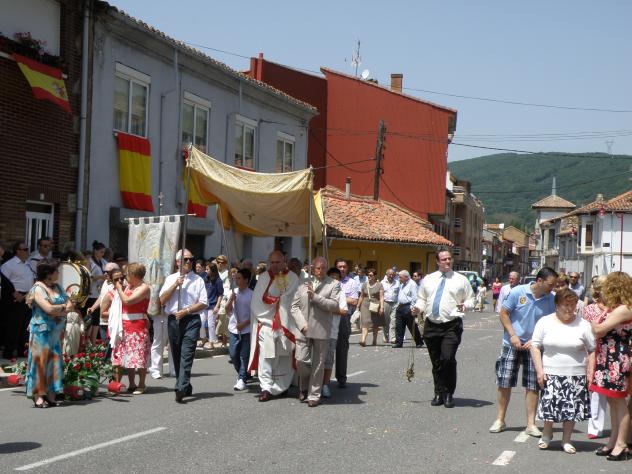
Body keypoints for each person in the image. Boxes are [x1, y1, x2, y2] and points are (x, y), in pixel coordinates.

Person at [489, 266, 558, 434]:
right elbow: (504, 313)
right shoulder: (518, 292)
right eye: (550, 284)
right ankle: (500, 419)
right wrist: (512, 335)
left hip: (534, 347)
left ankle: (530, 424)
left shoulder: (551, 299)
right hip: (511, 343)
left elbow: (552, 323)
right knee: (504, 381)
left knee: (533, 384)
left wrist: (536, 340)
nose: (552, 288)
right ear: (539, 281)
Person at [530, 288, 595, 454]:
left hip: (576, 374)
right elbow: (535, 346)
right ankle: (546, 434)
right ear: (557, 305)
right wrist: (539, 370)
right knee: (549, 406)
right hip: (551, 372)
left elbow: (592, 349)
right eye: (566, 305)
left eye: (573, 305)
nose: (569, 309)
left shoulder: (583, 324)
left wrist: (590, 372)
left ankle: (566, 440)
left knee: (571, 409)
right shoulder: (545, 322)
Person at [413, 251, 475, 408]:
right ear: (437, 261)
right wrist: (417, 308)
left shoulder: (461, 280)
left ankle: (448, 393)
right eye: (444, 259)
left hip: (451, 325)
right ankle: (438, 393)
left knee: (447, 358)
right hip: (432, 325)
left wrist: (465, 305)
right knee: (436, 362)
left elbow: (471, 299)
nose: (447, 261)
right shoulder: (428, 279)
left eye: (449, 259)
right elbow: (422, 299)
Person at [590, 271, 632, 461]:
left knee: (619, 401)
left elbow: (599, 329)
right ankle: (614, 441)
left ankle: (622, 444)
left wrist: (594, 324)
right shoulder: (615, 308)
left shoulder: (624, 308)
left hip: (616, 358)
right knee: (612, 400)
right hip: (608, 357)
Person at [248, 250, 301, 401]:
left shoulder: (292, 277)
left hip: (286, 324)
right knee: (266, 356)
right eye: (272, 262)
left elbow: (292, 298)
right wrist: (275, 301)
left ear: (284, 262)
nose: (275, 265)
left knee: (285, 357)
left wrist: (281, 299)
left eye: (278, 262)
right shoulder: (264, 277)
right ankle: (266, 388)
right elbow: (257, 301)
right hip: (267, 323)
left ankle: (281, 387)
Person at [159, 249, 208, 403]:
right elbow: (162, 300)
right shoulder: (171, 278)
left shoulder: (198, 280)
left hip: (191, 320)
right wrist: (175, 285)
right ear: (177, 262)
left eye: (191, 259)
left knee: (187, 354)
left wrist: (187, 311)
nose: (189, 262)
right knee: (176, 353)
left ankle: (180, 387)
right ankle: (185, 384)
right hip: (174, 320)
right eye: (185, 259)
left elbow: (203, 302)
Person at [292, 257, 340, 407]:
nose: (320, 271)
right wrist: (302, 324)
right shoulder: (302, 283)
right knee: (301, 360)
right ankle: (303, 386)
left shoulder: (334, 284)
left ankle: (314, 394)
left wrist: (315, 297)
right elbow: (294, 307)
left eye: (323, 268)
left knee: (318, 364)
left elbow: (334, 305)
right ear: (312, 269)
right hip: (304, 328)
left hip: (321, 328)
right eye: (318, 268)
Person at [26, 260, 73, 407]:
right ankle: (38, 396)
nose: (58, 273)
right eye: (56, 270)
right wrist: (63, 308)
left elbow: (71, 305)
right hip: (41, 331)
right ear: (48, 274)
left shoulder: (58, 287)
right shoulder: (38, 288)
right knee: (40, 362)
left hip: (56, 331)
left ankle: (51, 394)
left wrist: (59, 308)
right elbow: (48, 309)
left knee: (54, 362)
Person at [111, 263, 151, 395]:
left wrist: (119, 289)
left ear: (134, 275)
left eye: (127, 274)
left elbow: (128, 301)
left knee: (139, 355)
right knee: (128, 356)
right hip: (125, 325)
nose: (125, 277)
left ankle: (142, 384)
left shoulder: (144, 288)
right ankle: (132, 383)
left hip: (138, 326)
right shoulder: (129, 286)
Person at [581, 275, 608, 440]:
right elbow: (584, 331)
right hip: (593, 351)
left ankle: (621, 426)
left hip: (612, 352)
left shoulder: (618, 308)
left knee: (614, 393)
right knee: (595, 389)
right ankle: (595, 426)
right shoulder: (590, 309)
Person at [1, 241, 34, 359]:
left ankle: (22, 351)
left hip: (28, 297)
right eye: (24, 249)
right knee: (14, 326)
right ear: (17, 251)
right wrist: (14, 294)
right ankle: (8, 352)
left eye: (27, 249)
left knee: (26, 326)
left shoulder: (28, 264)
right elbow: (3, 282)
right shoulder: (9, 265)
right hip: (16, 298)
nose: (27, 252)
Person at [225, 268, 253, 391]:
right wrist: (231, 300)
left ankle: (241, 379)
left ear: (246, 280)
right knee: (233, 354)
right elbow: (227, 310)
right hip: (234, 329)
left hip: (247, 330)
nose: (236, 280)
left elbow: (255, 314)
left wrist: (244, 324)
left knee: (244, 355)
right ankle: (244, 373)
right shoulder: (233, 292)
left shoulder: (252, 294)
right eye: (235, 278)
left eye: (239, 278)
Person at [335, 258, 359, 388]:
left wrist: (336, 297)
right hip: (329, 316)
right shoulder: (330, 280)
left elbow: (354, 301)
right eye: (340, 267)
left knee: (342, 349)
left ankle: (341, 377)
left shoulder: (352, 282)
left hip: (344, 317)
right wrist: (345, 298)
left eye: (344, 267)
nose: (342, 269)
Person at [323, 267, 346, 398]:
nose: (333, 280)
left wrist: (328, 308)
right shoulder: (321, 290)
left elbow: (344, 311)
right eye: (331, 277)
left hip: (332, 331)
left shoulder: (341, 293)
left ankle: (325, 385)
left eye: (336, 278)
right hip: (318, 330)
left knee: (328, 360)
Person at [393, 270, 424, 349]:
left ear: (406, 277)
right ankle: (399, 342)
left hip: (408, 306)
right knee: (399, 325)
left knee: (411, 326)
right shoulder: (402, 284)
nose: (399, 279)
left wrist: (412, 308)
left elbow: (414, 297)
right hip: (400, 306)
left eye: (400, 277)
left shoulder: (412, 284)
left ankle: (419, 342)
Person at [86, 240, 109, 344]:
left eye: (104, 252)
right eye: (101, 252)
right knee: (90, 318)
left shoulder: (103, 262)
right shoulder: (89, 261)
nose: (102, 254)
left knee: (96, 319)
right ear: (95, 251)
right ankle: (87, 340)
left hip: (100, 293)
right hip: (91, 293)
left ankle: (93, 341)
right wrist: (100, 277)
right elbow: (88, 276)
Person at [199, 262, 223, 351]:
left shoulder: (218, 281)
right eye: (205, 269)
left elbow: (220, 294)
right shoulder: (205, 278)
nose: (206, 271)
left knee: (210, 324)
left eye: (207, 269)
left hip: (213, 305)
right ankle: (204, 338)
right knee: (200, 322)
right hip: (204, 305)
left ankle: (211, 342)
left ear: (212, 270)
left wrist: (217, 306)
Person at [357, 268, 384, 346]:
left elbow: (381, 297)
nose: (369, 276)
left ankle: (374, 340)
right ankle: (363, 340)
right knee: (365, 322)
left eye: (371, 275)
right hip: (365, 305)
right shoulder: (364, 284)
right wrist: (358, 305)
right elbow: (361, 296)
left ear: (375, 276)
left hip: (375, 305)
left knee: (375, 324)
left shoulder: (379, 285)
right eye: (368, 275)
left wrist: (381, 307)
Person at [215, 254, 230, 348]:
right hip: (213, 297)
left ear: (225, 264)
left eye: (222, 262)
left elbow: (227, 287)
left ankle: (224, 341)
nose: (220, 264)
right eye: (218, 262)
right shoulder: (214, 272)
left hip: (223, 298)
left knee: (223, 320)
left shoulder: (227, 273)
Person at [381, 268, 400, 344]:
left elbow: (399, 293)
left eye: (393, 274)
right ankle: (386, 336)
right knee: (385, 321)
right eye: (390, 274)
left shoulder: (397, 283)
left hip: (395, 303)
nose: (391, 276)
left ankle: (393, 338)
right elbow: (381, 295)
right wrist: (381, 305)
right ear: (386, 275)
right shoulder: (382, 283)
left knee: (393, 321)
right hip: (385, 303)